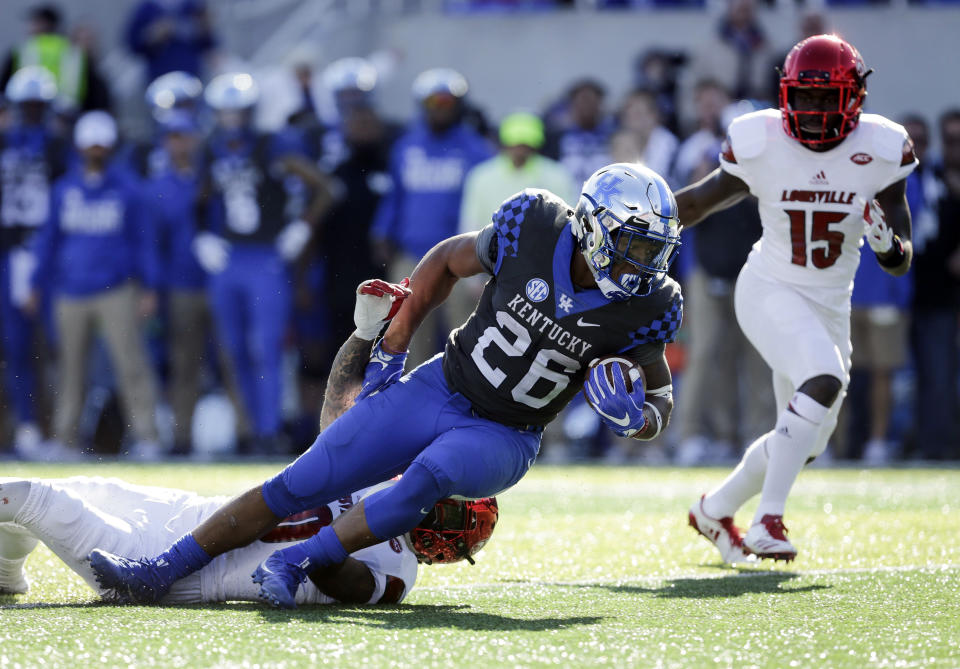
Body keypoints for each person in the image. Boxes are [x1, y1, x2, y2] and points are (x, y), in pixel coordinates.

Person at [89, 161, 683, 608]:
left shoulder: (649, 305)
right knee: (305, 477)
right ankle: (161, 569)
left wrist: (642, 420)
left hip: (507, 432)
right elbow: (447, 261)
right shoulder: (536, 223)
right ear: (592, 226)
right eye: (634, 245)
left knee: (437, 472)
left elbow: (659, 395)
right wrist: (391, 350)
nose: (643, 265)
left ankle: (297, 562)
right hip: (442, 383)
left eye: (654, 251)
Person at [0, 284, 497, 604]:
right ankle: (7, 572)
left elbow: (341, 581)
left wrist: (335, 542)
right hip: (190, 514)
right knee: (70, 489)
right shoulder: (384, 476)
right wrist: (365, 335)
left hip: (183, 573)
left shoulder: (396, 576)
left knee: (23, 496)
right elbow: (337, 424)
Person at [679, 35, 917, 562]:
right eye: (802, 98)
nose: (811, 111)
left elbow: (900, 259)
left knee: (807, 442)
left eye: (824, 98)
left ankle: (714, 510)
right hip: (770, 287)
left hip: (831, 305)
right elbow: (698, 203)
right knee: (823, 381)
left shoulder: (882, 148)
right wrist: (640, 221)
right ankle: (769, 520)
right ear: (784, 94)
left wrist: (889, 246)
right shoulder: (760, 140)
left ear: (853, 98)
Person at [193, 72, 329, 454]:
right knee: (233, 348)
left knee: (264, 346)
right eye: (226, 111)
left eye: (239, 111)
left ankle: (269, 430)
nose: (232, 119)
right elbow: (199, 199)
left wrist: (300, 228)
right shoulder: (210, 149)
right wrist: (201, 234)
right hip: (229, 257)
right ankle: (250, 428)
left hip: (265, 256)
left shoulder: (272, 146)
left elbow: (325, 188)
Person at [27, 110, 162, 460]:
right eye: (91, 145)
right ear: (80, 147)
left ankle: (147, 436)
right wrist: (35, 282)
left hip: (116, 289)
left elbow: (142, 240)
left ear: (112, 147)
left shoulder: (129, 189)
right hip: (69, 290)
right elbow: (48, 240)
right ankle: (64, 439)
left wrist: (149, 286)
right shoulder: (63, 190)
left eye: (102, 145)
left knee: (130, 363)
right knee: (70, 367)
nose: (96, 151)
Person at [370, 68, 492, 368]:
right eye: (432, 103)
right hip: (412, 256)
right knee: (406, 338)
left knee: (464, 338)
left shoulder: (476, 150)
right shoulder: (406, 146)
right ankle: (412, 409)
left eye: (446, 103)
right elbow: (395, 195)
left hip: (461, 260)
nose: (439, 110)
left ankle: (465, 409)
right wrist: (382, 232)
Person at [0, 66, 69, 458]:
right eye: (25, 107)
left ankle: (60, 430)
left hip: (51, 257)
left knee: (62, 347)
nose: (30, 114)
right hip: (11, 255)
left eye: (36, 107)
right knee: (17, 347)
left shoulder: (59, 147)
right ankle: (27, 427)